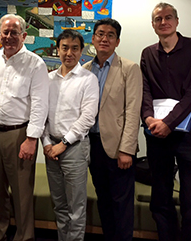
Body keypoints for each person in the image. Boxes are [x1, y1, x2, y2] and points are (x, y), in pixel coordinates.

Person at [140, 2, 191, 241]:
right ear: (153, 25)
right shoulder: (148, 53)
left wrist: (169, 122)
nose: (163, 22)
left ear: (177, 21)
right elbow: (145, 89)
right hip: (157, 133)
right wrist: (148, 117)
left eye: (168, 17)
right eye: (158, 19)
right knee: (160, 197)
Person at [0, 14, 49, 241]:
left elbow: (41, 104)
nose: (9, 37)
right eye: (5, 32)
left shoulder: (35, 63)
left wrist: (31, 139)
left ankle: (24, 237)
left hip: (20, 134)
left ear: (24, 36)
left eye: (14, 32)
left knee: (21, 192)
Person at [83, 18, 142, 241]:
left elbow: (133, 111)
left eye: (110, 35)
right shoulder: (86, 69)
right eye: (100, 34)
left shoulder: (129, 68)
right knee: (103, 199)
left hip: (118, 148)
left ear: (117, 41)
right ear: (93, 38)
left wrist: (127, 149)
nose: (104, 38)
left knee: (121, 203)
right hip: (92, 145)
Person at [42, 29, 99, 241]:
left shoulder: (88, 79)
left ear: (81, 51)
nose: (69, 53)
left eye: (74, 48)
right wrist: (47, 142)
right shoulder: (47, 79)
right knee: (59, 204)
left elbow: (87, 118)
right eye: (64, 48)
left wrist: (63, 143)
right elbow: (42, 115)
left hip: (74, 148)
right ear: (57, 50)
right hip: (51, 149)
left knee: (76, 207)